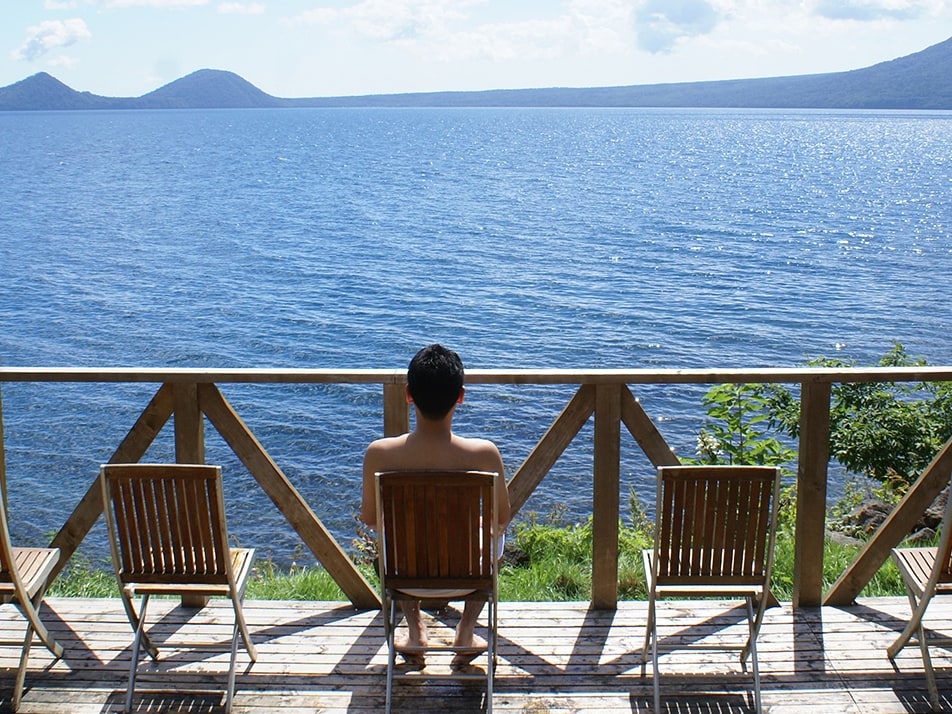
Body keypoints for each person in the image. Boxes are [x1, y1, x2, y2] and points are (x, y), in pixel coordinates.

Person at [361, 344, 511, 668]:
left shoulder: (379, 454)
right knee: (497, 538)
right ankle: (466, 631)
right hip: (469, 577)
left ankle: (415, 631)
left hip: (404, 575)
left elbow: (371, 519)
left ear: (408, 395)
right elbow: (501, 519)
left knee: (393, 541)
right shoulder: (485, 454)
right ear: (460, 396)